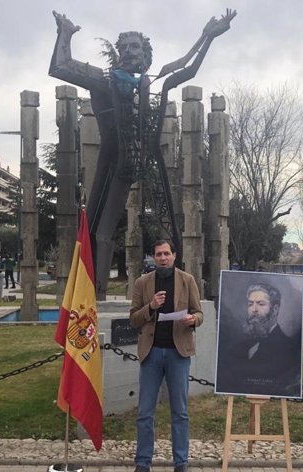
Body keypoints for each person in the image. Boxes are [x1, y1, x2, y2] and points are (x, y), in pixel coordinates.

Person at [49, 9, 235, 298]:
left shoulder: (153, 81)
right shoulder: (104, 79)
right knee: (98, 230)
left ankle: (179, 290)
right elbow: (61, 67)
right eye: (123, 48)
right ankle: (93, 295)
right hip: (114, 162)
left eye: (134, 47)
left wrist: (207, 36)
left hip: (150, 161)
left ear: (145, 52)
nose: (128, 52)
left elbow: (186, 68)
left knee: (172, 227)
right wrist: (65, 33)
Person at [129, 239, 203, 472]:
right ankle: (142, 463)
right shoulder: (142, 283)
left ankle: (181, 464)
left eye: (166, 254)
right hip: (151, 353)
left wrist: (192, 319)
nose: (162, 258)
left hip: (177, 353)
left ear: (174, 256)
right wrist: (151, 306)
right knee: (144, 412)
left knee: (180, 412)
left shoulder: (187, 280)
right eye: (158, 254)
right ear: (153, 257)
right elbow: (133, 319)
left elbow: (199, 313)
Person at [215, 282, 302, 397]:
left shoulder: (288, 349)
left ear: (275, 309)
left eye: (261, 304)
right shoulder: (238, 346)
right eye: (250, 304)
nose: (254, 309)